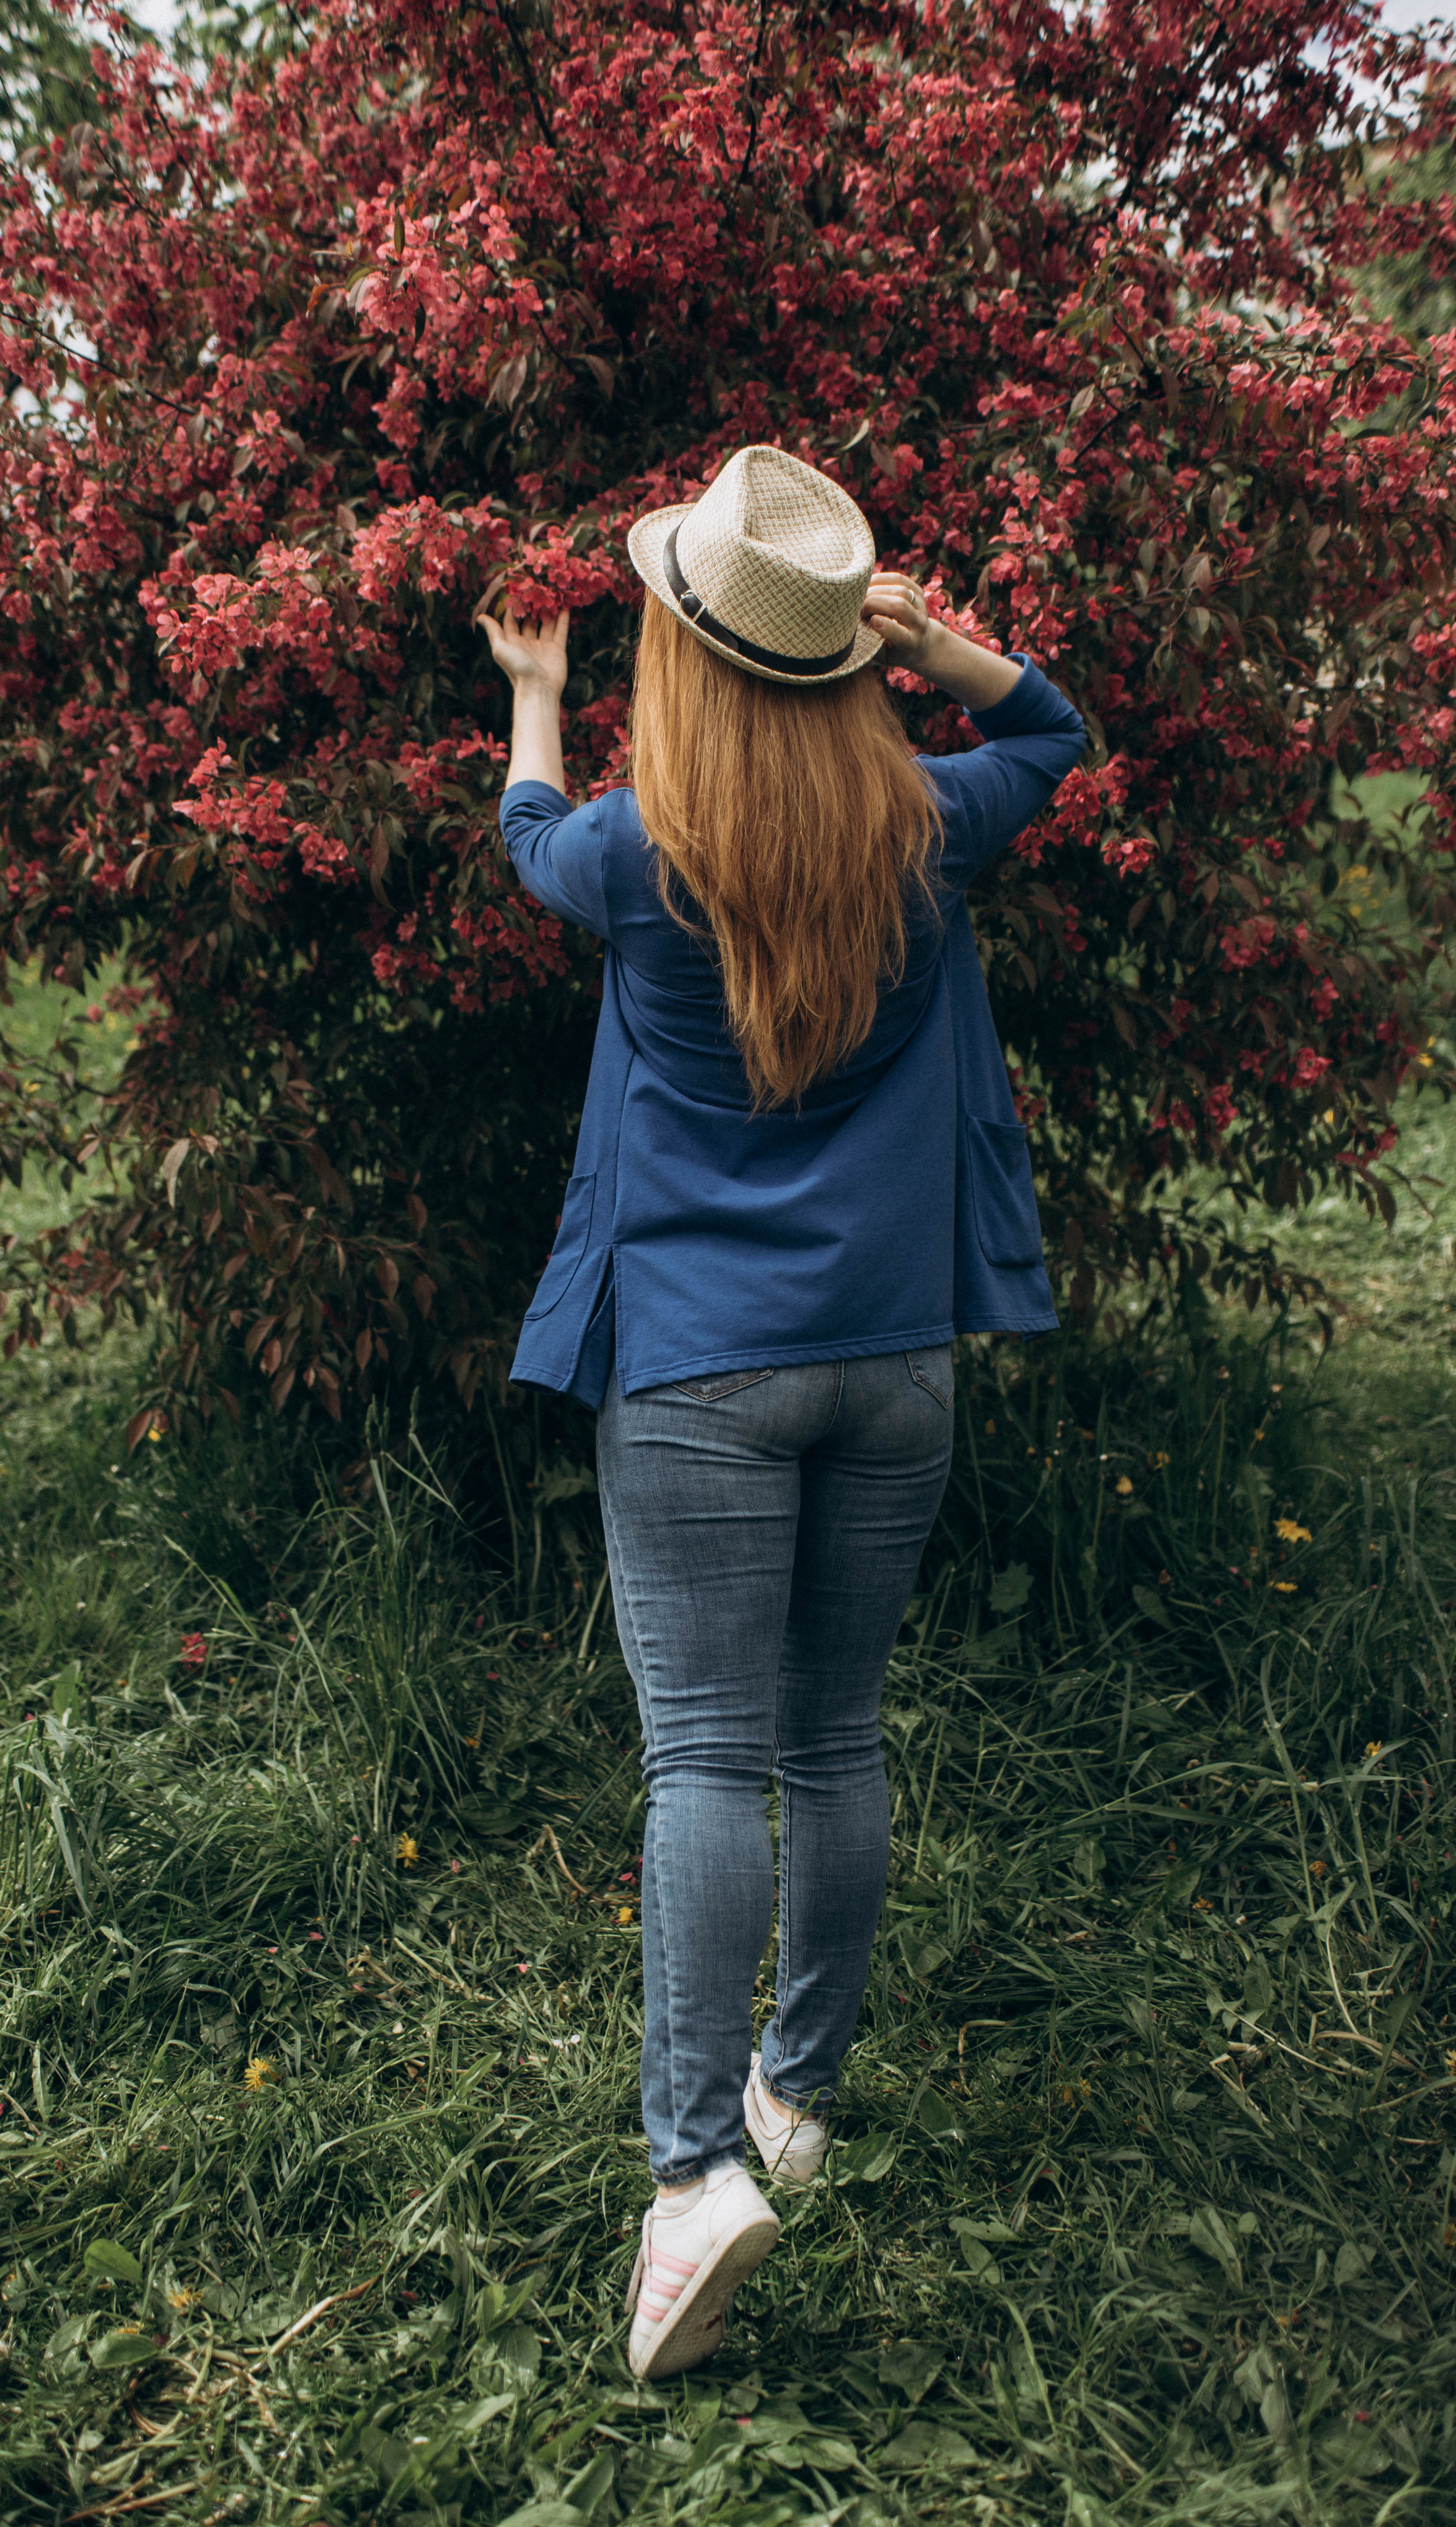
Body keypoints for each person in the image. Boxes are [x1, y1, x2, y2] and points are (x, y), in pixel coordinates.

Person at [476, 444, 1086, 2382]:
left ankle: (688, 2183)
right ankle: (792, 2102)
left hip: (698, 1372)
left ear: (683, 654)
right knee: (835, 1739)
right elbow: (1056, 732)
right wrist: (939, 645)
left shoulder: (632, 854)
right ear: (835, 664)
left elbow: (518, 834)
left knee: (705, 1764)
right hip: (896, 1358)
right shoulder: (929, 819)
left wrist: (534, 693)